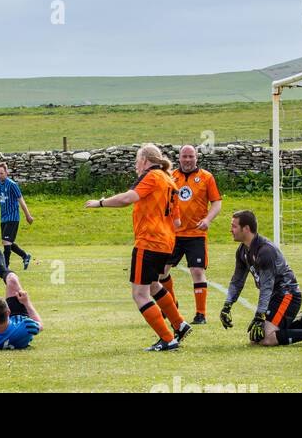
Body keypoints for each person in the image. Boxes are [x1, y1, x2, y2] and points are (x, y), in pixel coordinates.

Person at [85, 143, 193, 352]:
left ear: (144, 160)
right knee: (153, 286)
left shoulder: (151, 176)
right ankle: (179, 324)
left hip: (149, 241)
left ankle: (167, 339)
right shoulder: (170, 180)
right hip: (166, 242)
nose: (136, 166)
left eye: (137, 161)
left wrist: (100, 203)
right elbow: (177, 222)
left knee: (139, 294)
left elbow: (127, 198)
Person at [221, 210, 302, 347]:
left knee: (266, 339)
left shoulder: (265, 251)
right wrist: (227, 306)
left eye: (234, 226)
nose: (230, 230)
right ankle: (301, 324)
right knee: (256, 338)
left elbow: (267, 286)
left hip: (288, 295)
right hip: (275, 297)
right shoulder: (242, 251)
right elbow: (237, 281)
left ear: (246, 229)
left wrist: (259, 316)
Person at [160, 145, 222, 323]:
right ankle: (171, 305)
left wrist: (208, 220)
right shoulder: (171, 177)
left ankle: (200, 314)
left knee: (197, 270)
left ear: (196, 158)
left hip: (196, 233)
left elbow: (216, 203)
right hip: (173, 234)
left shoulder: (206, 177)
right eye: (184, 156)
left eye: (191, 156)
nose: (187, 160)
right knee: (162, 271)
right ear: (179, 158)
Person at [0, 162, 34, 269]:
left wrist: (28, 216)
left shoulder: (12, 185)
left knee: (6, 242)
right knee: (9, 242)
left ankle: (6, 267)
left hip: (13, 218)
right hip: (4, 218)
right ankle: (25, 256)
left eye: (1, 173)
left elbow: (21, 200)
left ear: (6, 172)